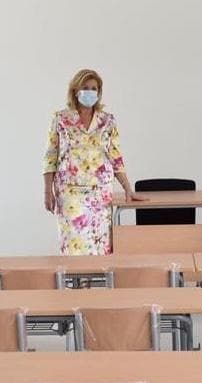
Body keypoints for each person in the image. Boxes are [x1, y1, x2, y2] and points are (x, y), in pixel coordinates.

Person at [43, 68, 143, 255]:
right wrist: (47, 191)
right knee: (74, 250)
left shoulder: (107, 121)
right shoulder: (61, 119)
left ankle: (101, 285)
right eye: (85, 87)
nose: (90, 92)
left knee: (101, 248)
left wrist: (128, 189)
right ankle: (75, 284)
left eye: (94, 88)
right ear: (75, 90)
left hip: (100, 194)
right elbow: (51, 156)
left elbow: (116, 157)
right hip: (70, 193)